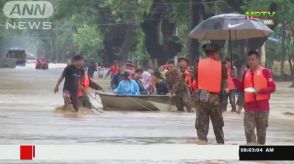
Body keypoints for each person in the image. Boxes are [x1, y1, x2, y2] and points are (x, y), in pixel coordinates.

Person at [232, 50, 276, 145]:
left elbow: (273, 88)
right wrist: (234, 78)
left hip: (262, 108)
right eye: (249, 60)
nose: (251, 61)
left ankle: (260, 156)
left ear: (258, 60)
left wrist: (260, 90)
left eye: (253, 59)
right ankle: (251, 154)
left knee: (261, 135)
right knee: (248, 132)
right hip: (249, 108)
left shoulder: (265, 72)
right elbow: (241, 87)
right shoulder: (246, 73)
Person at [194, 43, 227, 144]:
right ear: (214, 54)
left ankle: (202, 147)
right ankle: (221, 146)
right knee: (218, 127)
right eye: (218, 54)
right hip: (214, 99)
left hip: (201, 97)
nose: (219, 56)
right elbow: (224, 81)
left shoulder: (198, 64)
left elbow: (197, 79)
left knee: (201, 128)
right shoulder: (221, 66)